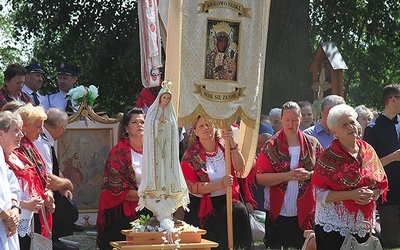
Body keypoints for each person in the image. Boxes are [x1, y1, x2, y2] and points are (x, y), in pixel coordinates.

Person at [313, 104, 388, 250]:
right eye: (344, 125)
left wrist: (371, 194)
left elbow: (380, 182)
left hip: (364, 223)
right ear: (335, 131)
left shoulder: (368, 150)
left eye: (352, 122)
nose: (350, 127)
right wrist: (350, 195)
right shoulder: (327, 157)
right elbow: (318, 194)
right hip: (334, 226)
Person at [255, 101, 323, 249]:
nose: (291, 124)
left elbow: (324, 172)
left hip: (305, 209)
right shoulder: (271, 145)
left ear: (300, 119)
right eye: (287, 120)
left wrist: (310, 174)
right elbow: (260, 177)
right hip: (278, 210)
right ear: (281, 120)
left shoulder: (313, 144)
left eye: (294, 120)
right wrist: (288, 175)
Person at [181, 115, 252, 249]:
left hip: (226, 200)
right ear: (195, 131)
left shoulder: (224, 147)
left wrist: (233, 145)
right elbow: (192, 187)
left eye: (208, 124)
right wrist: (220, 184)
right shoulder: (190, 155)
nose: (206, 128)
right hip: (203, 205)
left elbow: (239, 168)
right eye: (201, 126)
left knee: (239, 210)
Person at [97, 107, 152, 250]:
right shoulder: (118, 153)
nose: (140, 125)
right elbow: (119, 190)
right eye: (134, 122)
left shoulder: (153, 150)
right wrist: (148, 194)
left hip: (149, 206)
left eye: (142, 122)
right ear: (126, 128)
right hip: (120, 211)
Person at [137, 81, 189, 220]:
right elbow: (149, 129)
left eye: (168, 98)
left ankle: (168, 209)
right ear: (160, 98)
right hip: (155, 150)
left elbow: (174, 132)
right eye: (164, 98)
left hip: (167, 150)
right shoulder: (153, 112)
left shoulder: (171, 114)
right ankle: (156, 210)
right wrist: (158, 123)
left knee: (167, 174)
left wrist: (166, 124)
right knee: (157, 173)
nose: (165, 101)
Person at [10, 103, 55, 249]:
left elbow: (42, 178)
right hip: (20, 214)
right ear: (25, 126)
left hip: (34, 211)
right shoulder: (16, 148)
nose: (41, 130)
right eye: (37, 126)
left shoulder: (30, 146)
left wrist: (48, 192)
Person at [34, 107, 79, 250]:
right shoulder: (42, 143)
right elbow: (48, 179)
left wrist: (63, 185)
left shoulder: (45, 140)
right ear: (62, 129)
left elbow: (53, 169)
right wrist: (67, 183)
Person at [363, 84, 400, 248]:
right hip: (388, 195)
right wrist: (393, 157)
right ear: (392, 100)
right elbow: (368, 165)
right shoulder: (373, 129)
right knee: (392, 242)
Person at [0, 111, 22, 250]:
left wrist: (14, 209)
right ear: (1, 134)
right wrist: (8, 217)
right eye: (16, 131)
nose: (21, 135)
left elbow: (12, 184)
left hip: (6, 225)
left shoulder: (3, 155)